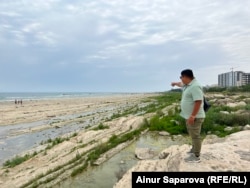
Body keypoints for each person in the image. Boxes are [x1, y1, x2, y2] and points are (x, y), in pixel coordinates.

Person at [171, 69, 205, 163]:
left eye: (181, 77)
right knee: (192, 134)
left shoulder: (195, 86)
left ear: (185, 77)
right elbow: (180, 84)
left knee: (195, 136)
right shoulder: (188, 84)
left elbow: (198, 101)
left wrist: (192, 116)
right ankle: (194, 149)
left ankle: (196, 156)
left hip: (195, 117)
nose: (180, 79)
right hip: (189, 116)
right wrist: (174, 83)